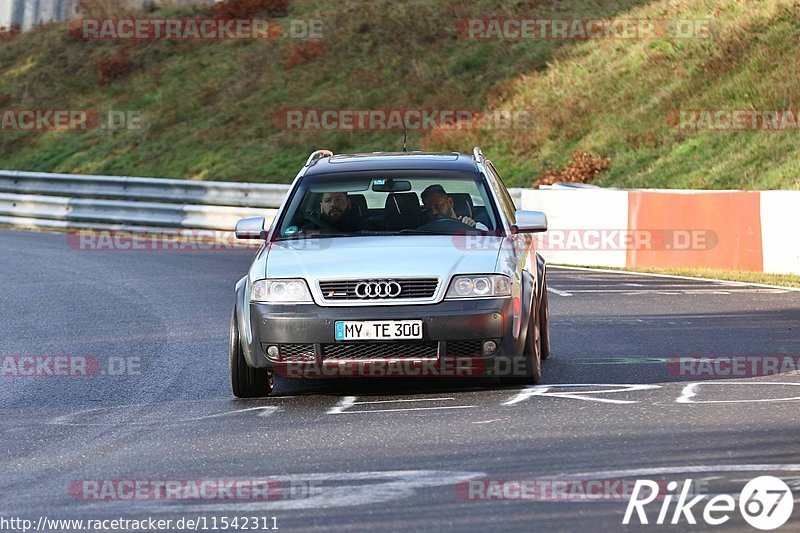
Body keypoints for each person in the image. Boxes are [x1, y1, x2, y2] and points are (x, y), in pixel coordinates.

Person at [420, 185, 488, 231]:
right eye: (429, 210)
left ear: (450, 202)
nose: (434, 212)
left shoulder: (473, 226)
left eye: (438, 206)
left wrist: (472, 228)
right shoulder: (421, 232)